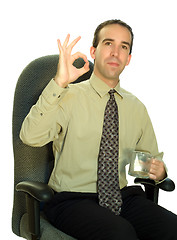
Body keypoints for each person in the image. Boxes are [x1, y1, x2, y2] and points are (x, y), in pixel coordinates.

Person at [20, 19, 177, 239]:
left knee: (172, 228)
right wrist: (59, 82)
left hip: (123, 197)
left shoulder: (136, 108)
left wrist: (159, 172)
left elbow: (150, 161)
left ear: (128, 59)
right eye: (108, 43)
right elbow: (29, 136)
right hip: (73, 200)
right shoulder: (68, 96)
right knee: (120, 233)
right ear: (94, 51)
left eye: (123, 47)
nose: (115, 52)